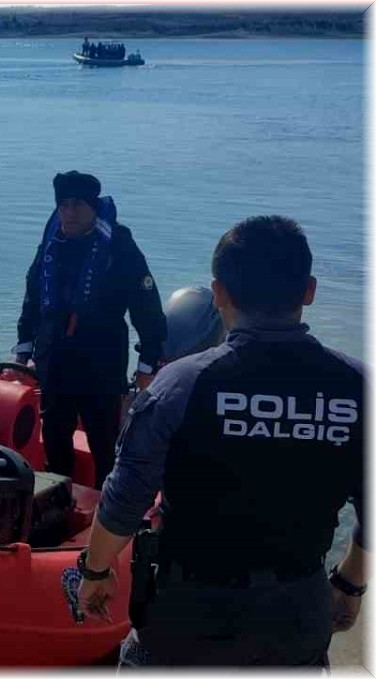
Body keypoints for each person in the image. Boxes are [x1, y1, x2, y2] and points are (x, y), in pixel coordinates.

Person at [76, 215, 366, 667]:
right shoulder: (358, 388)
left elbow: (124, 497)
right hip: (297, 616)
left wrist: (95, 570)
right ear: (308, 291)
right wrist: (350, 583)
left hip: (187, 618)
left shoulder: (181, 384)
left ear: (219, 293)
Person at [14, 171, 166, 488]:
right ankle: (59, 498)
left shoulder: (119, 245)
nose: (69, 213)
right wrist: (23, 347)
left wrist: (148, 360)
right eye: (63, 205)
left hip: (102, 361)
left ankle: (105, 511)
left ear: (93, 207)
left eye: (77, 205)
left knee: (104, 442)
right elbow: (33, 296)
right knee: (55, 435)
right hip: (54, 357)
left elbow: (146, 304)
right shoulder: (52, 242)